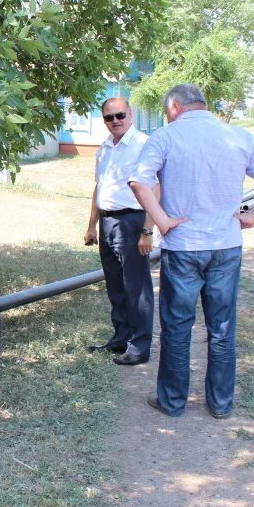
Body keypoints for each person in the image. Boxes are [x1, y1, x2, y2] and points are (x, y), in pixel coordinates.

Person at [129, 84, 254, 419]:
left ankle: (172, 402)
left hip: (184, 247)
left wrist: (162, 221)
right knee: (222, 328)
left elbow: (139, 182)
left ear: (174, 106)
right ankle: (220, 403)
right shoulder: (237, 136)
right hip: (226, 245)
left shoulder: (165, 136)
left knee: (177, 328)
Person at [83, 97, 157, 366]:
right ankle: (121, 338)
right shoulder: (104, 148)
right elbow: (99, 187)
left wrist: (147, 230)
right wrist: (92, 225)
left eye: (120, 115)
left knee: (136, 287)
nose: (115, 121)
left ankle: (139, 347)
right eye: (109, 117)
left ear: (130, 114)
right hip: (107, 222)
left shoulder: (144, 145)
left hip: (132, 222)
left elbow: (155, 189)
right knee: (115, 286)